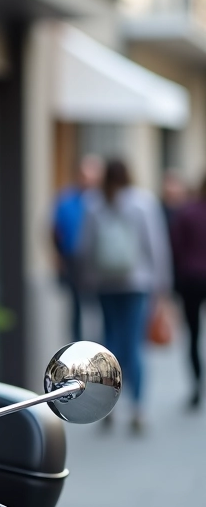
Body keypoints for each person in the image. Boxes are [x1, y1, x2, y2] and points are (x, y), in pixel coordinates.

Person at [78, 158, 173, 431]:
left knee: (108, 344)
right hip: (136, 283)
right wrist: (162, 285)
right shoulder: (142, 202)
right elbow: (156, 245)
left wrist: (87, 280)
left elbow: (85, 247)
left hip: (105, 283)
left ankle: (106, 406)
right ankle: (138, 408)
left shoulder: (94, 203)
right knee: (134, 345)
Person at [52, 154, 103, 341]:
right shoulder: (66, 200)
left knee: (100, 308)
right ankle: (77, 345)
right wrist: (58, 257)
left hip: (99, 262)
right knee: (76, 308)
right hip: (73, 260)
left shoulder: (103, 200)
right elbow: (55, 230)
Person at [170, 174, 206, 408]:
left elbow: (175, 248)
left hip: (191, 279)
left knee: (193, 335)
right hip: (193, 277)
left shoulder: (186, 212)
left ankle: (196, 384)